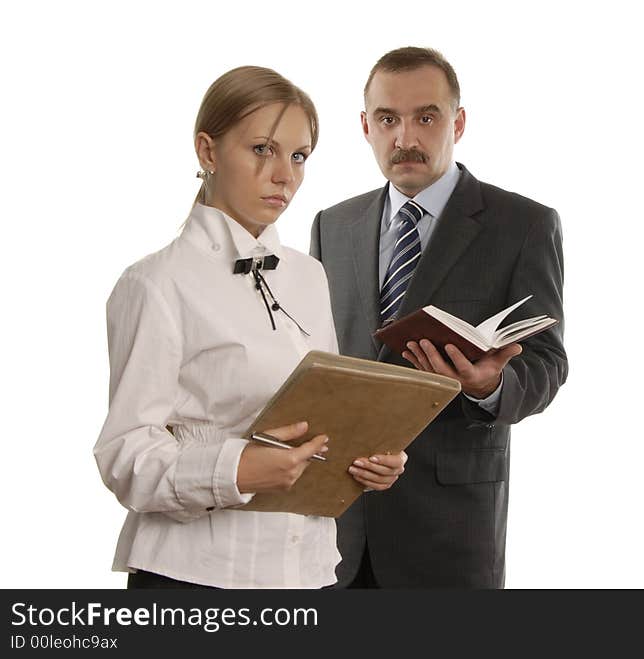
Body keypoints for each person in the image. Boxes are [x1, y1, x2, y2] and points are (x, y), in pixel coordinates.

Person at [94, 66, 407, 589]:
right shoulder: (155, 283)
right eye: (262, 148)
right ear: (208, 151)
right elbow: (125, 456)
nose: (284, 174)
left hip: (308, 573)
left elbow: (324, 411)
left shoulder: (309, 275)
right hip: (194, 577)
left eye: (299, 155)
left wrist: (366, 457)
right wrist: (235, 470)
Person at [311, 47, 567, 588]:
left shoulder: (523, 225)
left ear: (459, 122)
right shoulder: (332, 226)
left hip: (449, 532)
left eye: (426, 117)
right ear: (365, 126)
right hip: (335, 527)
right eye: (387, 119)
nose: (405, 138)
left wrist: (490, 385)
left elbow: (548, 363)